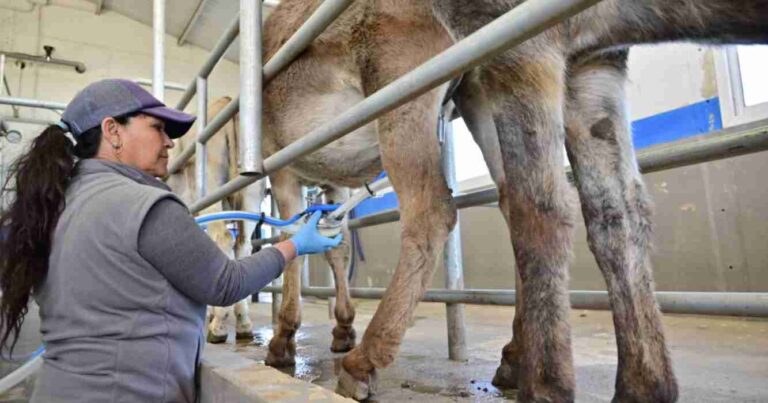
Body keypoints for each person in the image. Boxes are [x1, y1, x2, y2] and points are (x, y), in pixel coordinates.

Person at [0, 79, 342, 402]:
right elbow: (225, 283)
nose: (170, 142)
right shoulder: (144, 204)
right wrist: (295, 244)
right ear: (112, 131)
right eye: (157, 128)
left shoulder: (54, 203)